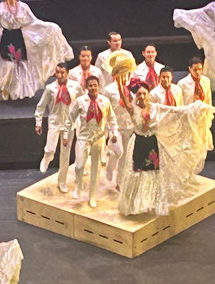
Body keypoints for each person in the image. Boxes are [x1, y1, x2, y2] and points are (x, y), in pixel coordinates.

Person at [114, 86, 215, 217]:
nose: (141, 96)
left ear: (148, 95)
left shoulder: (155, 107)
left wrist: (194, 108)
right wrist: (119, 80)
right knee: (136, 173)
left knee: (153, 173)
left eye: (144, 93)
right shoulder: (132, 109)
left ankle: (149, 203)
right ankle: (133, 204)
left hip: (151, 143)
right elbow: (123, 95)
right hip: (138, 143)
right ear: (136, 96)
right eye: (139, 94)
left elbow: (174, 111)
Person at [65, 76, 116, 207]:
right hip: (84, 137)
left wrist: (113, 133)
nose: (93, 88)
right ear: (86, 87)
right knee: (79, 165)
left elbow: (112, 119)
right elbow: (70, 118)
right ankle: (78, 185)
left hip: (99, 137)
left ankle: (92, 196)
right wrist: (66, 135)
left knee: (96, 168)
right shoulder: (80, 101)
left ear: (98, 86)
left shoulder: (105, 101)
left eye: (95, 85)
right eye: (90, 86)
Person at [34, 63, 76, 191]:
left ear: (67, 73)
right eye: (57, 72)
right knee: (50, 148)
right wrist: (38, 122)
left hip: (68, 124)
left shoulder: (75, 86)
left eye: (62, 72)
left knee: (65, 155)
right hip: (55, 121)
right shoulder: (50, 88)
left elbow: (80, 103)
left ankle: (62, 181)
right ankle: (47, 157)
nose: (60, 75)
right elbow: (41, 106)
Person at [101, 50, 137, 185]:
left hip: (129, 125)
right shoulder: (109, 90)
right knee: (118, 152)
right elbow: (105, 110)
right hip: (115, 126)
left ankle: (120, 181)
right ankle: (110, 166)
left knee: (126, 157)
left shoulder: (132, 87)